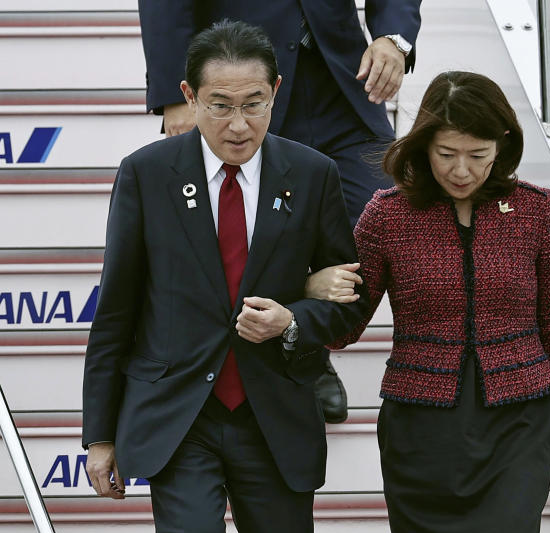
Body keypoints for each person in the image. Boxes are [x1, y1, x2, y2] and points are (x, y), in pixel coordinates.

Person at [82, 20, 367, 533]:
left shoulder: (312, 173)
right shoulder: (146, 174)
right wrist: (100, 435)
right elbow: (116, 309)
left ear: (276, 92)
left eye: (254, 104)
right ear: (189, 96)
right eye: (220, 105)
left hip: (274, 413)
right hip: (180, 412)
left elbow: (349, 302)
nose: (239, 125)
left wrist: (292, 320)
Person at [305, 71, 550, 533]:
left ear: (501, 146)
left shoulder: (535, 210)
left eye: (477, 155)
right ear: (424, 145)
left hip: (519, 421)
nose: (461, 170)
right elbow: (343, 328)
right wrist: (312, 287)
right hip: (420, 426)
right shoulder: (388, 215)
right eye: (446, 154)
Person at [138, 0, 422, 422]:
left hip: (343, 77)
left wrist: (394, 37)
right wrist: (174, 90)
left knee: (381, 218)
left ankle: (307, 332)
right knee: (250, 230)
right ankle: (303, 349)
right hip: (246, 87)